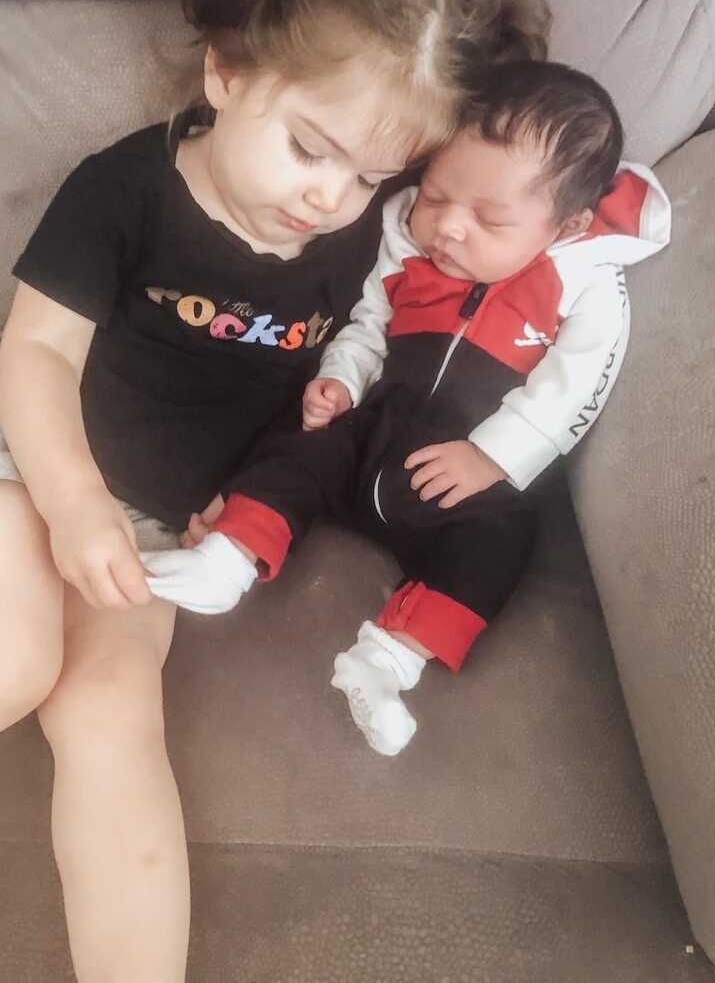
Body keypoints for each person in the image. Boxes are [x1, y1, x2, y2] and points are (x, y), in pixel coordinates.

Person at [0, 0, 549, 981]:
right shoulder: (126, 190)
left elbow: (339, 382)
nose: (331, 196)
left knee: (114, 715)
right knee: (4, 664)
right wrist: (72, 506)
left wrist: (240, 502)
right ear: (225, 71)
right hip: (10, 448)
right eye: (312, 148)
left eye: (370, 177)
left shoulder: (360, 248)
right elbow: (35, 352)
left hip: (159, 520)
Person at [140, 60, 672, 757]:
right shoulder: (404, 236)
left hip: (465, 475)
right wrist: (342, 382)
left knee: (502, 543)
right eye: (437, 194)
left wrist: (495, 456)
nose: (447, 227)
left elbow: (581, 380)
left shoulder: (586, 279)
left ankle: (388, 660)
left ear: (564, 225)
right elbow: (368, 320)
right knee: (299, 444)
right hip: (376, 433)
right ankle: (231, 555)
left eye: (489, 218)